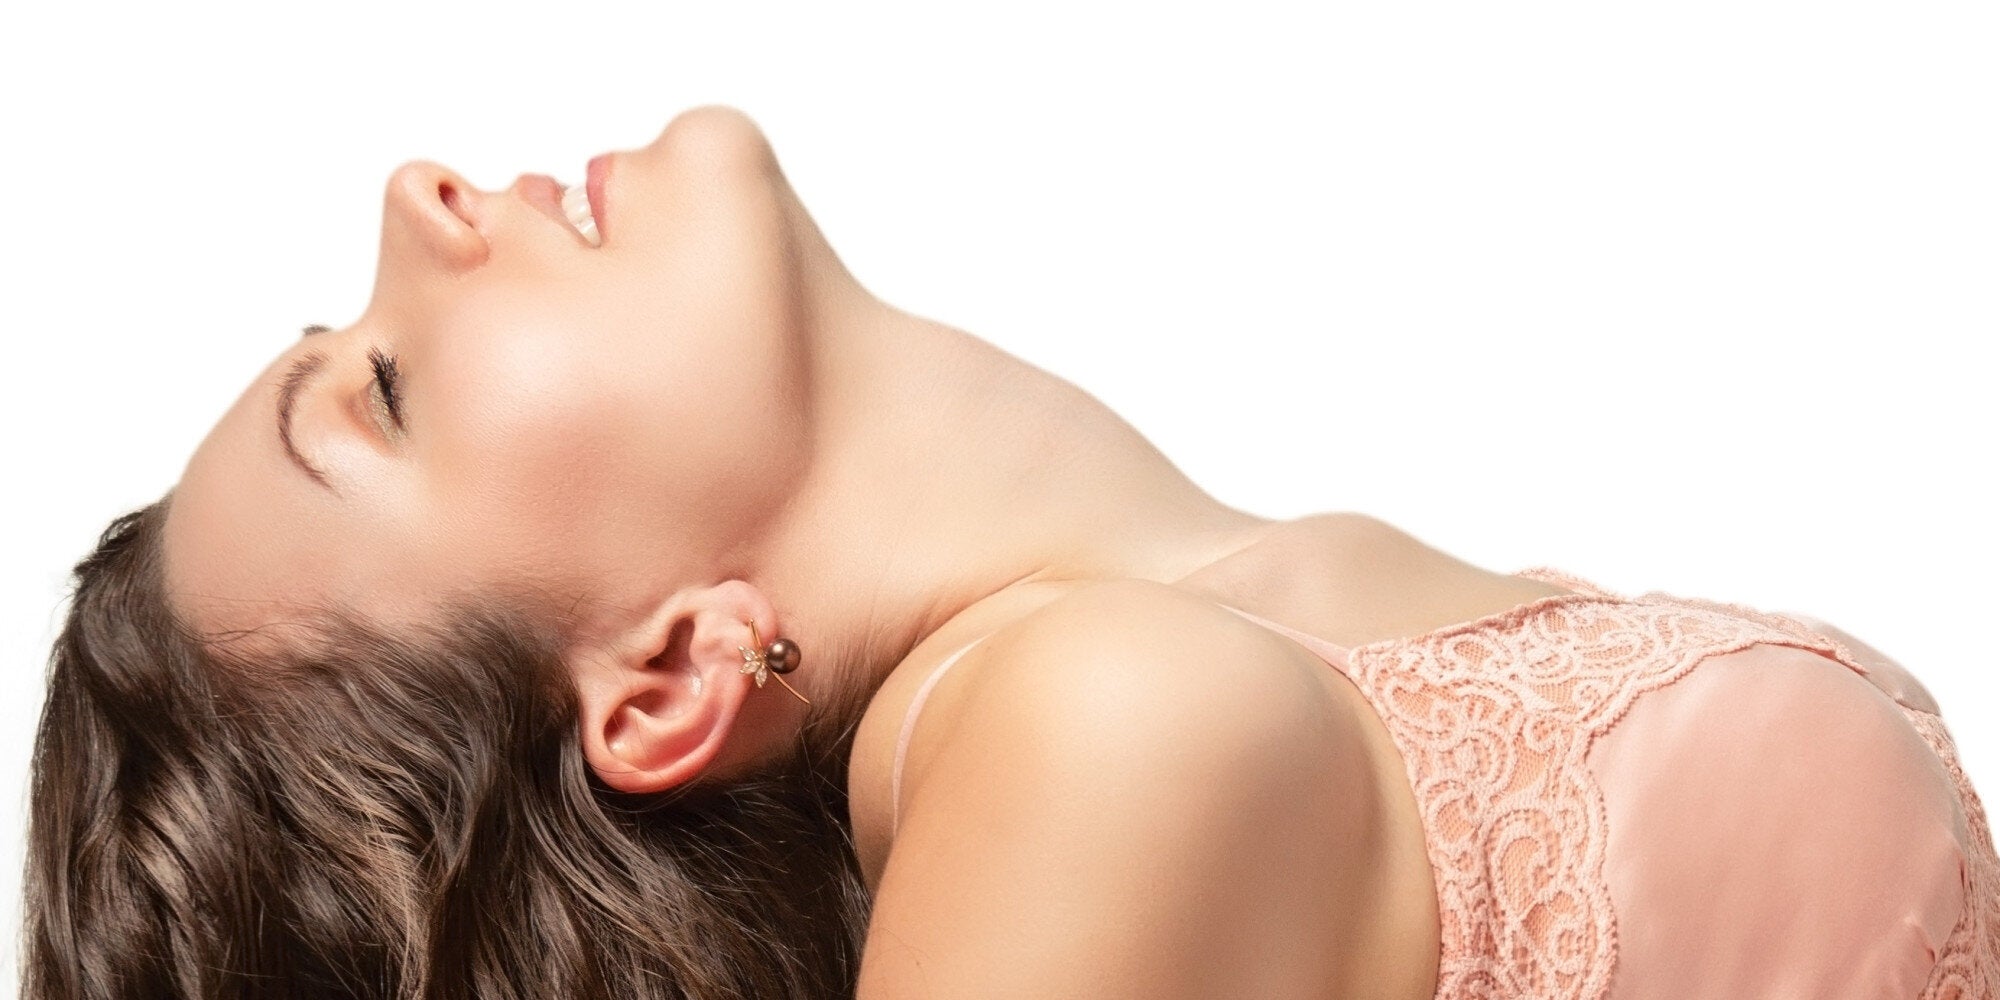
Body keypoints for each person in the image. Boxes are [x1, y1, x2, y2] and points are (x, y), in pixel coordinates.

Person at [22, 104, 1996, 1000]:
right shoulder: (1097, 728)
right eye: (382, 392)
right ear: (670, 675)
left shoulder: (1189, 671)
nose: (417, 189)